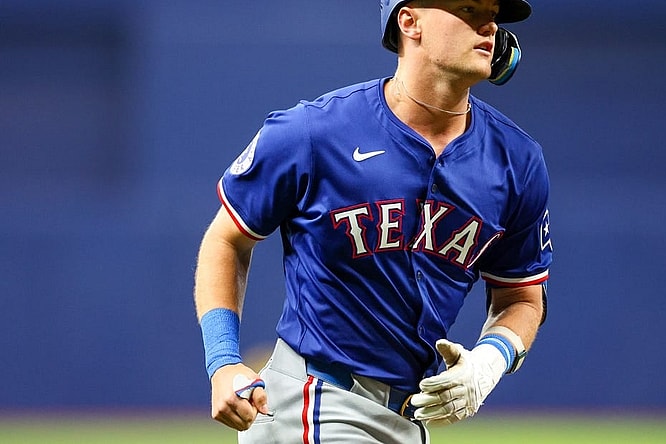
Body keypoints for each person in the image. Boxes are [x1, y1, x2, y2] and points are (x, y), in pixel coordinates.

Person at [194, 1, 552, 442]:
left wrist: (489, 362)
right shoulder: (314, 132)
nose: (489, 24)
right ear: (409, 21)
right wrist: (223, 360)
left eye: (493, 12)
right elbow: (226, 240)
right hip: (315, 403)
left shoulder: (517, 163)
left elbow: (521, 296)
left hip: (407, 420)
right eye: (468, 8)